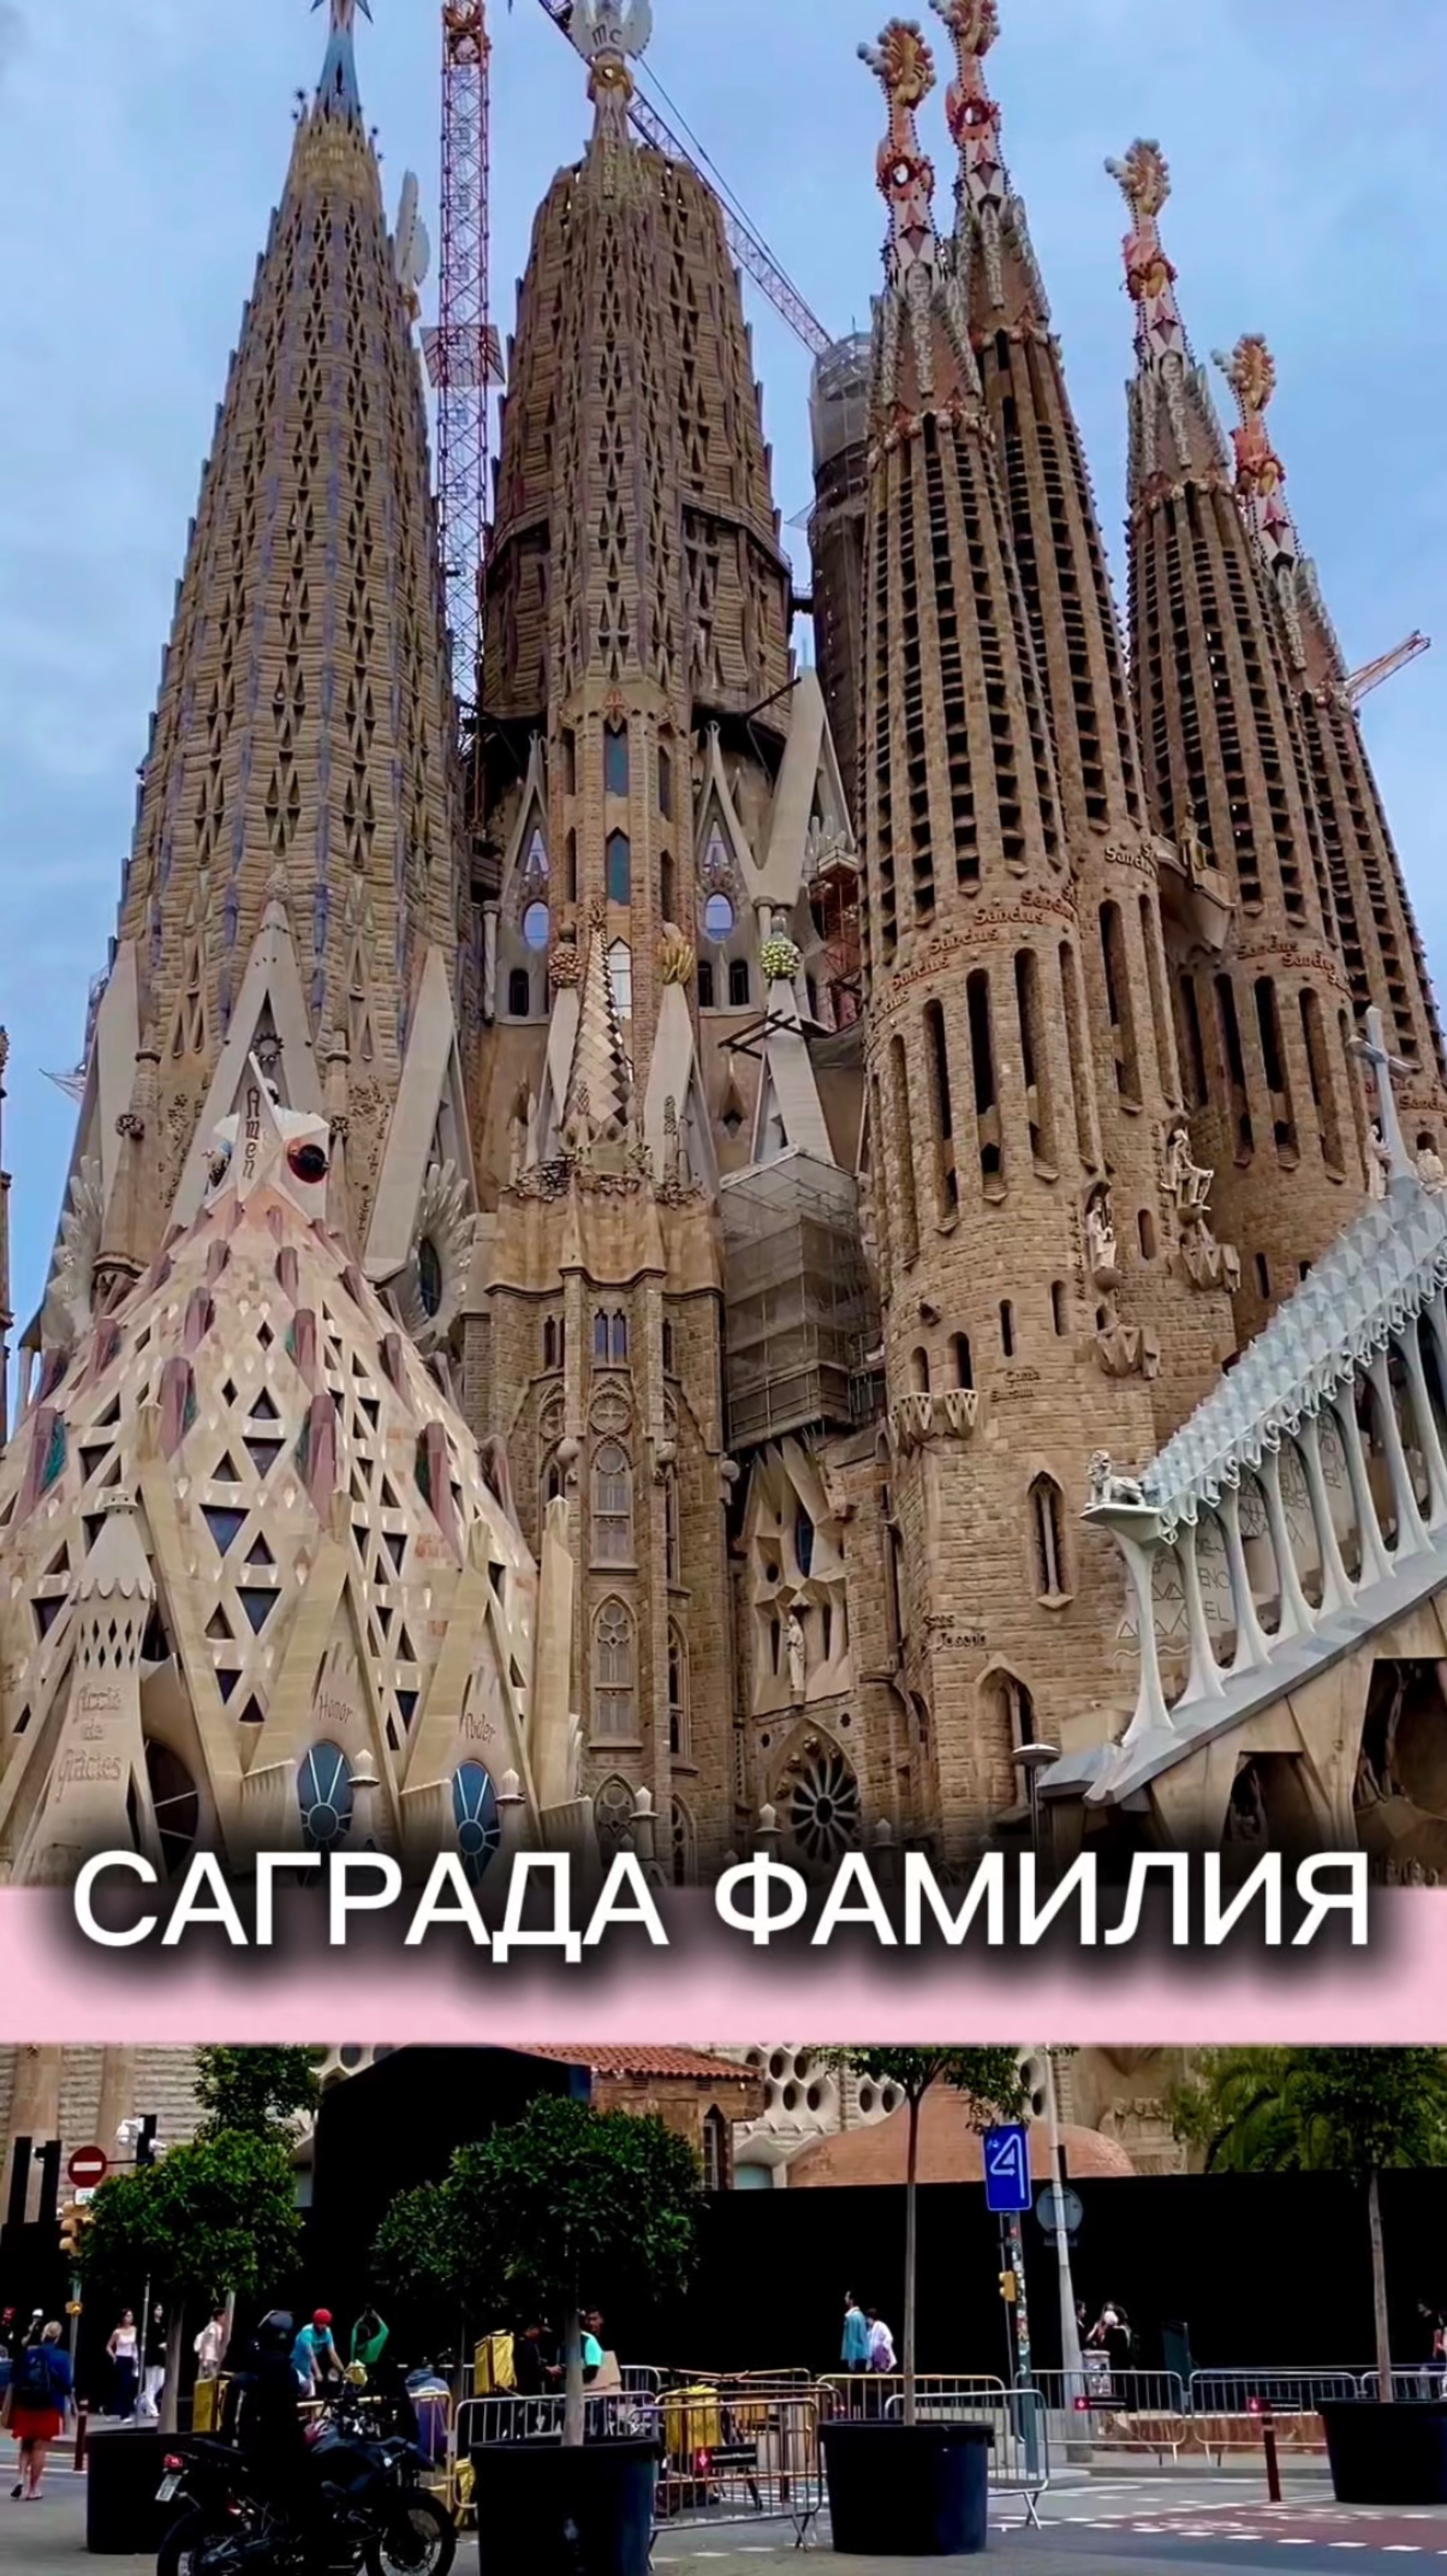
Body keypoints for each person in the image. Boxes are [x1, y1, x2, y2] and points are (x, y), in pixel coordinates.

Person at [7, 2320, 73, 2500]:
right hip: (49, 2406)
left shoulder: (30, 2353)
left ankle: (20, 2478)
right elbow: (67, 2385)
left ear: (44, 2334)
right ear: (58, 2337)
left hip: (26, 2404)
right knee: (40, 2447)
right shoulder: (62, 2357)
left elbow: (15, 2377)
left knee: (26, 2443)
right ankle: (33, 2489)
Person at [291, 2309, 339, 2397]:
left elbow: (333, 2354)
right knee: (304, 2389)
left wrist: (343, 2371)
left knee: (311, 2397)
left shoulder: (328, 2332)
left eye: (326, 2324)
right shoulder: (307, 2333)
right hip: (296, 2368)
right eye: (321, 2324)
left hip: (308, 2370)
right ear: (315, 2323)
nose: (324, 2326)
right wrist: (318, 2372)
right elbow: (311, 2355)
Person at [107, 2310, 139, 2419]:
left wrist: (136, 2359)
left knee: (128, 2386)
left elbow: (134, 2346)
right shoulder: (118, 2332)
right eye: (128, 2316)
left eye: (131, 2316)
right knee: (122, 2386)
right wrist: (114, 2357)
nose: (130, 2318)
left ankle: (125, 2412)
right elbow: (108, 2347)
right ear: (123, 2318)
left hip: (130, 2359)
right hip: (120, 2359)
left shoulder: (134, 2329)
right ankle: (122, 2414)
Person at [138, 2304, 167, 2422]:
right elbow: (149, 2341)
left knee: (160, 2382)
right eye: (158, 2309)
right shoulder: (150, 2325)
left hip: (161, 2357)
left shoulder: (163, 2324)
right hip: (152, 2357)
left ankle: (142, 2400)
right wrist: (159, 2346)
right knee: (151, 2384)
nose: (160, 2312)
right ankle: (152, 2410)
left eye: (161, 2309)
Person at [349, 2307, 389, 2372]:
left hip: (358, 2373)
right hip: (373, 2371)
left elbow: (355, 2329)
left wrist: (362, 2318)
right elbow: (386, 2331)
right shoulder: (373, 2345)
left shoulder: (354, 2347)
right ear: (369, 2334)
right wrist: (376, 2316)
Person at [194, 2307, 229, 2381]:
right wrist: (205, 2360)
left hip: (213, 2358)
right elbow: (204, 2343)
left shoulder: (219, 2328)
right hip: (208, 2357)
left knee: (210, 2380)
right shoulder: (213, 2327)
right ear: (219, 2317)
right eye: (224, 2316)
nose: (225, 2319)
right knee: (210, 2380)